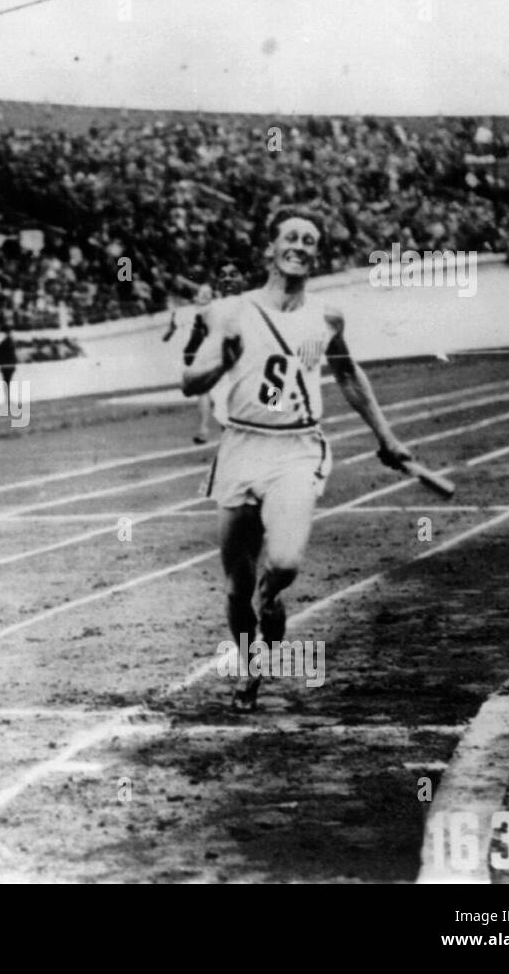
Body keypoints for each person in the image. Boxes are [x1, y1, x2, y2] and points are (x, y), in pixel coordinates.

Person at [182, 209, 412, 712]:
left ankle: (273, 597)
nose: (300, 246)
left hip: (297, 448)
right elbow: (189, 381)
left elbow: (349, 377)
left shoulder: (327, 317)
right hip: (241, 447)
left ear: (315, 253)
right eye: (291, 237)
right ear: (270, 248)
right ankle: (248, 667)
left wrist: (386, 436)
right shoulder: (231, 311)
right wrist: (223, 359)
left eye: (309, 240)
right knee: (236, 586)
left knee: (283, 562)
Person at [181, 284, 217, 444]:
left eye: (208, 293)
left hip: (215, 355)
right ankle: (204, 428)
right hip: (206, 357)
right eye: (202, 293)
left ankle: (205, 428)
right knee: (205, 392)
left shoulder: (208, 312)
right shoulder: (193, 313)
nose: (205, 296)